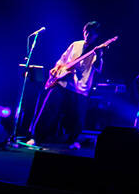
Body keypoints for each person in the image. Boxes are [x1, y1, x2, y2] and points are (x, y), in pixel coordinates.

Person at [27, 21, 104, 150]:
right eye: (86, 32)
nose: (87, 35)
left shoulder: (97, 51)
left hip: (80, 88)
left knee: (77, 117)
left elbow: (98, 68)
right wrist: (56, 69)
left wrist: (99, 55)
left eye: (91, 33)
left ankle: (73, 141)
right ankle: (36, 137)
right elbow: (62, 60)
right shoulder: (75, 44)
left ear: (97, 35)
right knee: (48, 109)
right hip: (63, 82)